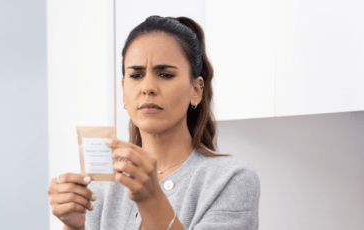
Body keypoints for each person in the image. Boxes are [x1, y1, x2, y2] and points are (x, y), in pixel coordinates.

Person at [48, 15, 260, 230]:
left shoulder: (230, 179)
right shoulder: (101, 187)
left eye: (165, 75)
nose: (147, 87)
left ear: (196, 90)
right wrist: (74, 227)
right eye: (136, 75)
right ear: (124, 90)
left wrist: (150, 199)